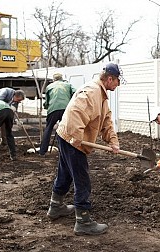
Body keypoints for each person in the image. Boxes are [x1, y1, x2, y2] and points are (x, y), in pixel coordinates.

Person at [46, 62, 125, 236]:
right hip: (72, 138)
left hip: (70, 137)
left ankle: (56, 206)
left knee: (65, 173)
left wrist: (113, 141)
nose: (118, 84)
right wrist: (76, 138)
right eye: (118, 81)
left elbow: (106, 120)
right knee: (82, 179)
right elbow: (75, 111)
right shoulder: (92, 91)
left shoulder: (101, 95)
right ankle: (83, 221)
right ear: (110, 79)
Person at [39, 73, 76, 156]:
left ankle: (42, 151)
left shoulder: (49, 86)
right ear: (62, 78)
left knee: (48, 129)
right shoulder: (68, 84)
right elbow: (75, 92)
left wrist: (46, 106)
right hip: (66, 109)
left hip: (53, 109)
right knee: (66, 129)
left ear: (54, 79)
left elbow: (47, 102)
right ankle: (65, 150)